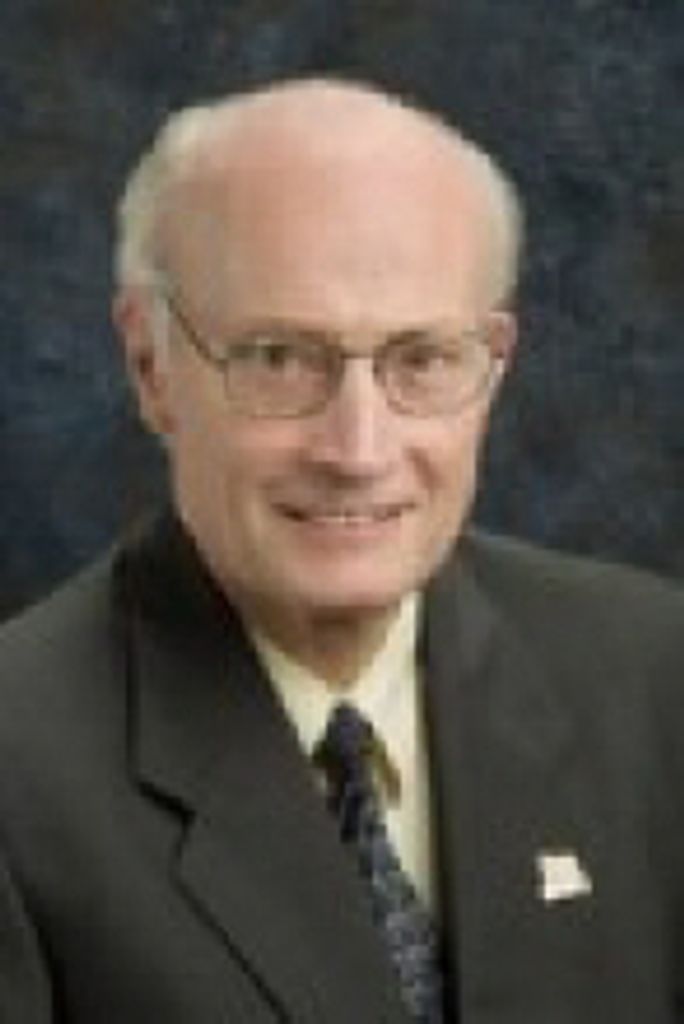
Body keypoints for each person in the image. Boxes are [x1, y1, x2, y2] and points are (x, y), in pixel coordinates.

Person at [0, 77, 682, 1024]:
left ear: (492, 368)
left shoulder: (655, 677)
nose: (358, 450)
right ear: (151, 365)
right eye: (279, 358)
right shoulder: (21, 773)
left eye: (421, 359)